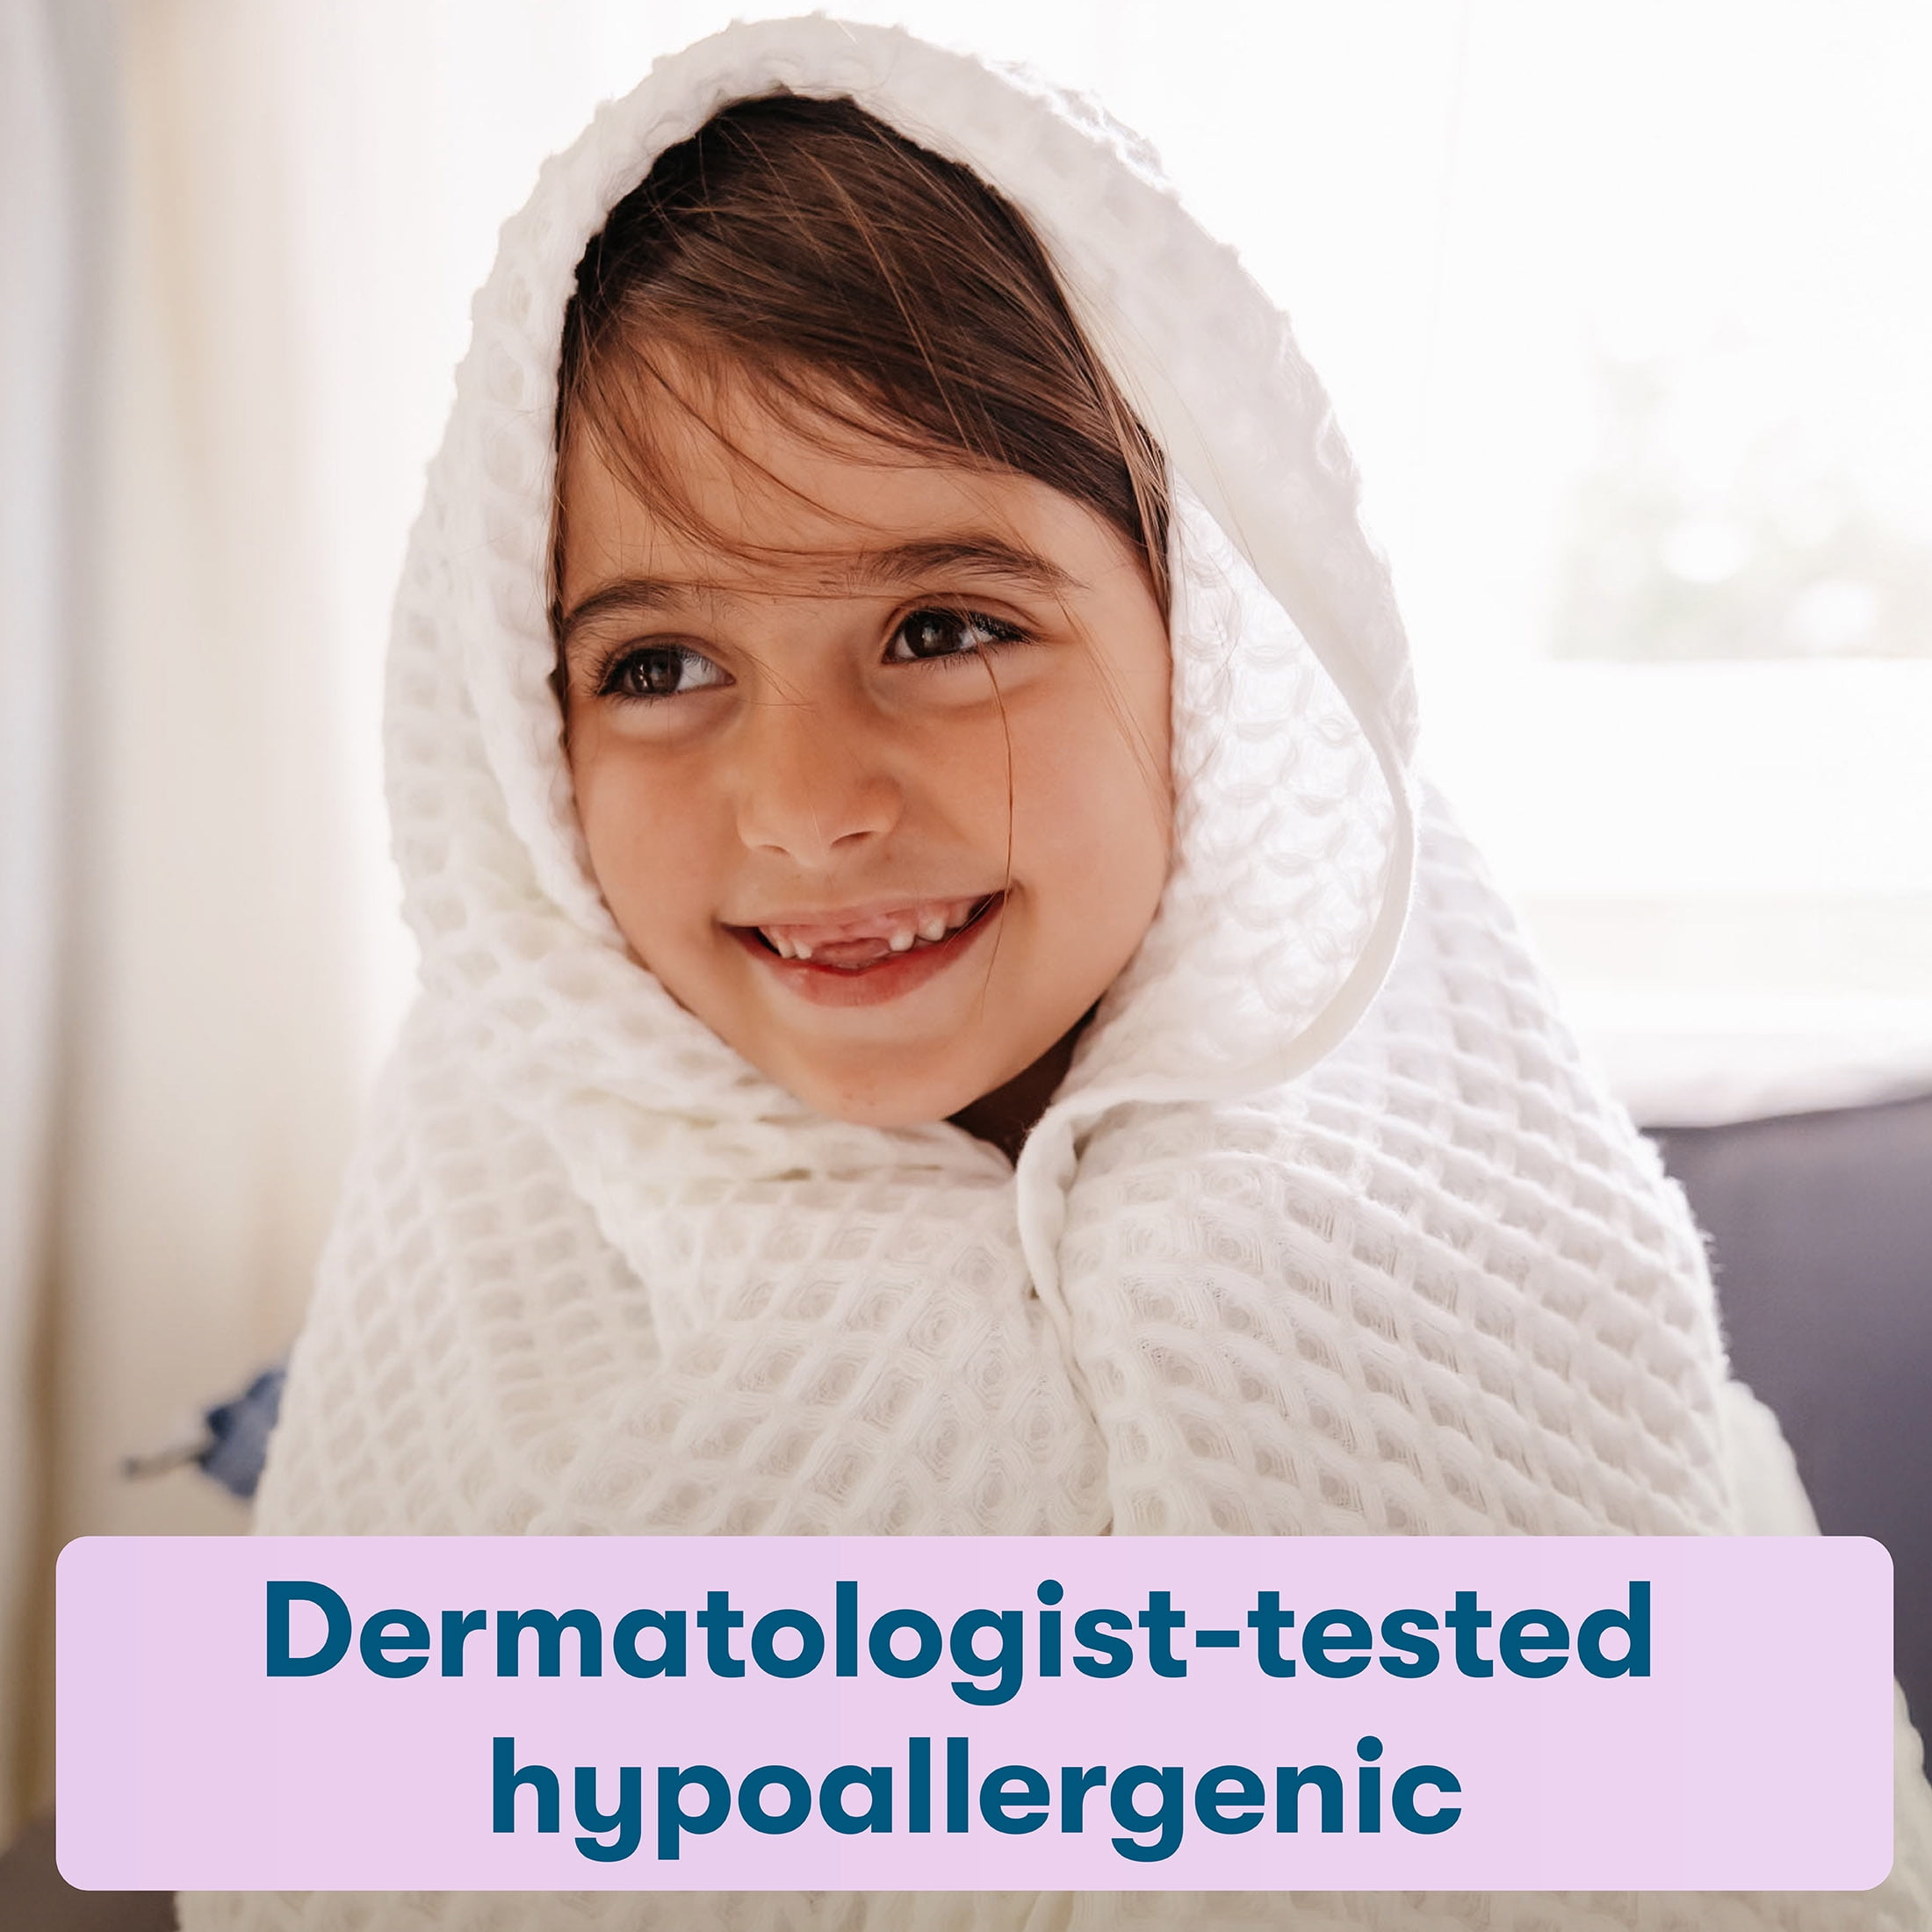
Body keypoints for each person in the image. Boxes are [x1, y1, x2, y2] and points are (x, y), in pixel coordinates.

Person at [179, 17, 1932, 1930]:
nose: (807, 810)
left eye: (944, 628)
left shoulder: (1552, 1307)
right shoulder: (474, 1268)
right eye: (656, 666)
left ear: (1205, 651)